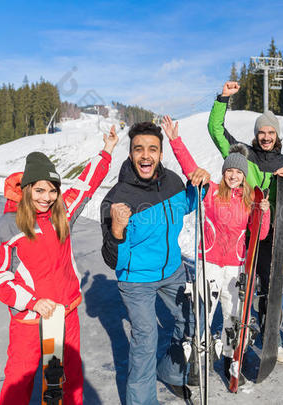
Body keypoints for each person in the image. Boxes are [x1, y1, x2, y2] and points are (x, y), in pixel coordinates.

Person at [0, 126, 119, 405]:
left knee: (66, 378)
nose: (46, 197)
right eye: (40, 190)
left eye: (52, 190)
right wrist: (32, 301)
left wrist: (106, 152)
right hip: (29, 320)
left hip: (65, 313)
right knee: (18, 380)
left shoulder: (61, 215)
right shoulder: (6, 227)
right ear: (27, 189)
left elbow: (86, 185)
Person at [100, 121, 210, 403]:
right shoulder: (116, 199)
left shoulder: (172, 181)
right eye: (139, 149)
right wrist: (116, 231)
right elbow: (112, 260)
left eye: (152, 149)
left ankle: (171, 372)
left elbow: (191, 201)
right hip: (136, 280)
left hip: (173, 270)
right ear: (130, 154)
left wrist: (202, 182)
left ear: (160, 154)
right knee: (145, 343)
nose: (146, 155)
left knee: (192, 321)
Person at [162, 115, 271, 386]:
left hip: (236, 266)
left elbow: (262, 233)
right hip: (209, 262)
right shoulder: (210, 192)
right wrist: (175, 140)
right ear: (224, 172)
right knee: (204, 314)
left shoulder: (250, 201)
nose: (233, 176)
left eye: (238, 173)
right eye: (229, 171)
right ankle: (199, 363)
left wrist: (265, 213)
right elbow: (190, 169)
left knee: (234, 316)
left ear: (244, 175)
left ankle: (231, 361)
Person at [207, 81, 283, 362]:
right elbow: (216, 130)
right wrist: (223, 98)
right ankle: (238, 333)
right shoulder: (242, 155)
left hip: (271, 235)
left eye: (270, 132)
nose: (265, 136)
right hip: (242, 233)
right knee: (240, 287)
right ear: (256, 135)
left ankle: (270, 337)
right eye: (261, 132)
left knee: (269, 288)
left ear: (276, 135)